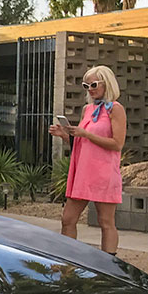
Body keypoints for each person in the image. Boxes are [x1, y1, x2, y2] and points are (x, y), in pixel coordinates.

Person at [49, 65, 125, 254]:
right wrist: (66, 136)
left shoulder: (115, 109)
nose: (90, 89)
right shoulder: (87, 109)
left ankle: (110, 264)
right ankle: (66, 260)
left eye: (93, 84)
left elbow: (117, 144)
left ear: (106, 84)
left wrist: (86, 134)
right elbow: (82, 145)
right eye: (86, 85)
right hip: (83, 172)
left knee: (105, 221)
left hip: (104, 171)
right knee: (68, 218)